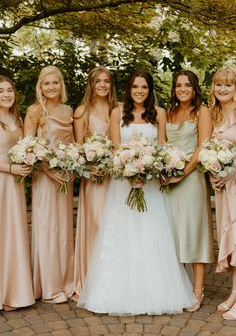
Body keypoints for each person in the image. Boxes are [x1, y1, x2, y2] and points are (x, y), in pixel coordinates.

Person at [77, 69, 195, 314]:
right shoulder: (117, 112)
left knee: (153, 234)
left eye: (144, 87)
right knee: (123, 233)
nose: (139, 91)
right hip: (123, 183)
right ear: (129, 90)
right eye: (135, 87)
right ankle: (116, 291)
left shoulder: (159, 113)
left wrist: (153, 167)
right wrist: (128, 171)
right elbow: (116, 147)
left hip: (150, 185)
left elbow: (162, 144)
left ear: (150, 90)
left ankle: (156, 291)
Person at [163, 70, 214, 312]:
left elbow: (202, 146)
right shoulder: (169, 113)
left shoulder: (202, 112)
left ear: (194, 89)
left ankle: (197, 290)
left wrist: (182, 173)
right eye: (178, 85)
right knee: (173, 233)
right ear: (174, 89)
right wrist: (166, 171)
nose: (182, 89)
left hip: (192, 180)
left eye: (187, 85)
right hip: (169, 182)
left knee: (194, 231)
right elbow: (162, 146)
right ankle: (178, 287)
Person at [24, 65, 75, 303]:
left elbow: (73, 143)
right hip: (45, 178)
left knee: (64, 229)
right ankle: (48, 286)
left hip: (64, 177)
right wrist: (47, 169)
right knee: (47, 227)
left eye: (55, 83)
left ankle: (66, 282)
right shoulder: (35, 111)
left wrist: (71, 166)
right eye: (47, 83)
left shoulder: (68, 110)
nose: (51, 87)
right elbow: (28, 149)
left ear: (61, 85)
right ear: (40, 86)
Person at [73, 66, 118, 298]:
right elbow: (78, 147)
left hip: (114, 178)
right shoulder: (82, 111)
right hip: (93, 179)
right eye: (98, 81)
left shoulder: (117, 109)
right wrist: (90, 166)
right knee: (97, 225)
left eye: (106, 81)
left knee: (114, 227)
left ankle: (113, 281)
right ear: (91, 84)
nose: (102, 85)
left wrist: (110, 164)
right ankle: (93, 282)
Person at [0, 75, 35, 311]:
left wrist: (28, 161)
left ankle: (14, 292)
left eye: (9, 90)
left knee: (14, 233)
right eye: (0, 91)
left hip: (15, 184)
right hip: (2, 179)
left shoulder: (17, 118)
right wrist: (11, 168)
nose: (6, 95)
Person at [209, 66, 236, 320]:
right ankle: (234, 293)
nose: (223, 89)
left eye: (228, 84)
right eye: (219, 84)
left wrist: (231, 172)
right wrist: (214, 172)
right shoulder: (215, 114)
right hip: (223, 185)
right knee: (230, 235)